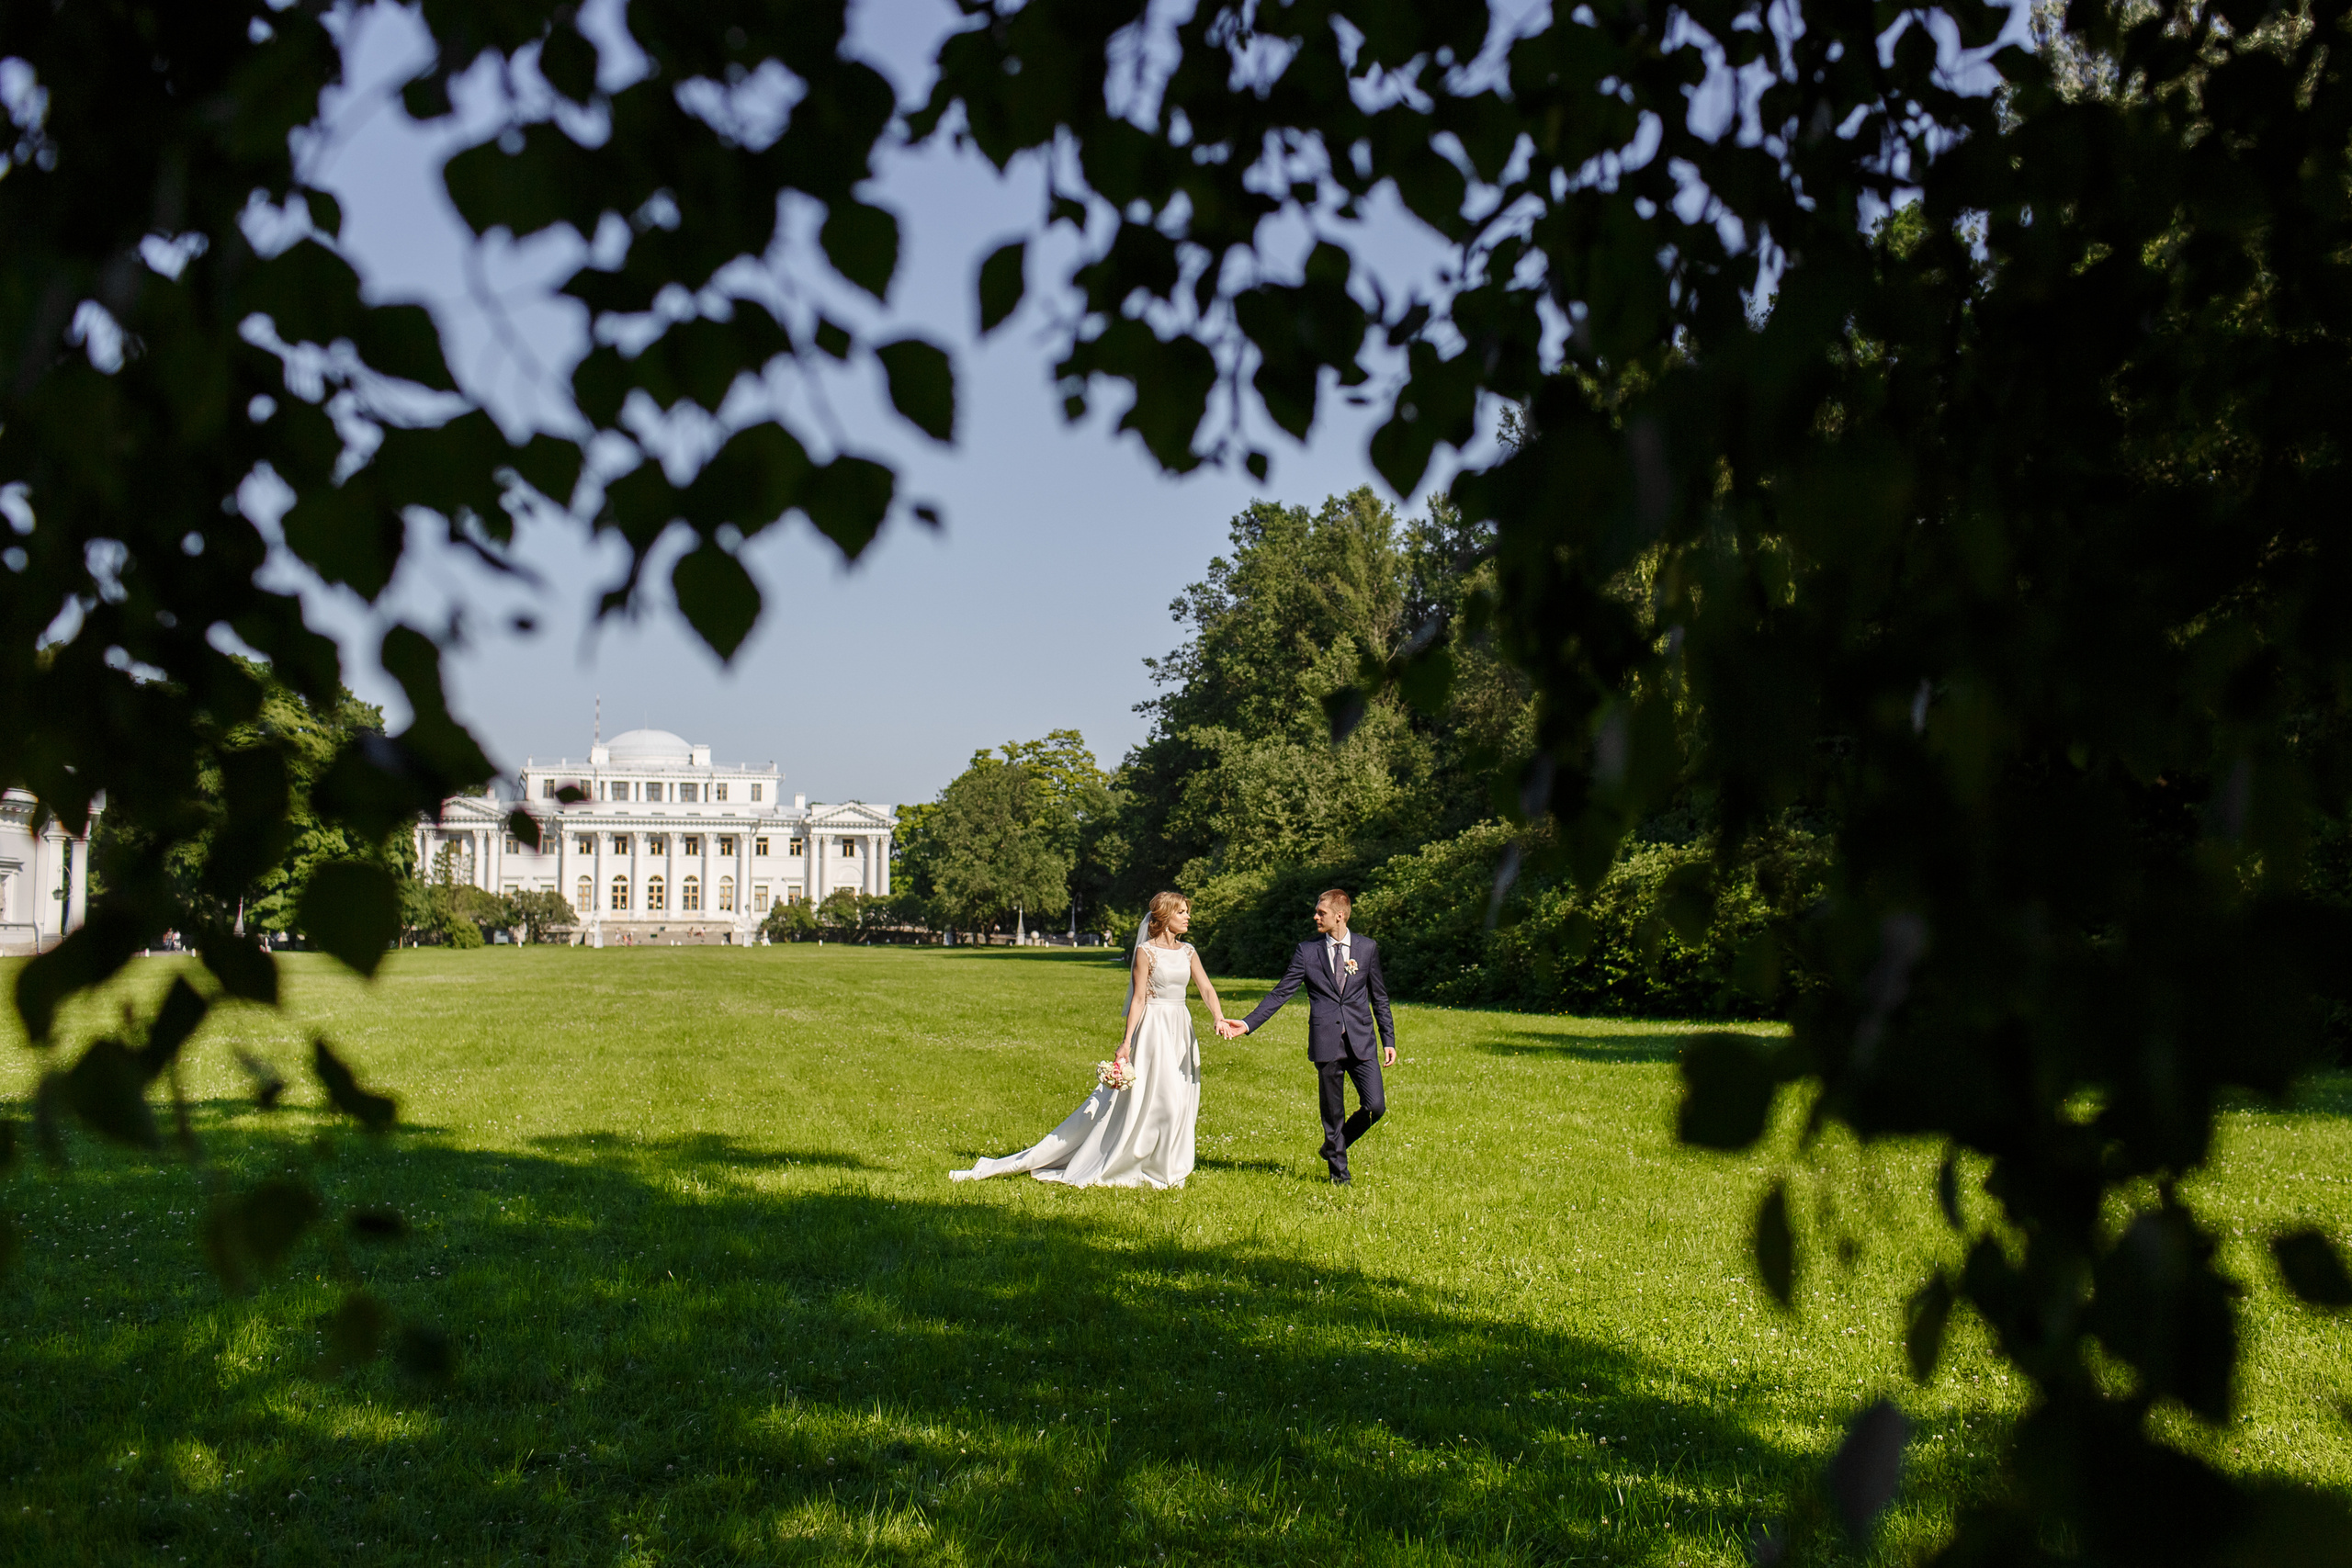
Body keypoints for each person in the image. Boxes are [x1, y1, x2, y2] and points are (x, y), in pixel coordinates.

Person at [950, 891, 1232, 1189]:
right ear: (1164, 917)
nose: (1188, 917)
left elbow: (1206, 988)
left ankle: (1168, 1162)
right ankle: (1142, 1162)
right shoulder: (1145, 952)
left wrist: (1218, 1016)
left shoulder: (1188, 952)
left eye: (1187, 912)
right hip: (1154, 1029)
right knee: (1161, 1099)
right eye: (1182, 912)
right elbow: (1137, 1000)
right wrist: (1127, 1043)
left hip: (1181, 1026)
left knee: (1180, 1096)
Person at [1216, 887, 1395, 1184]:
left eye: (1321, 912)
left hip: (1362, 1041)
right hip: (1326, 1042)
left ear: (1339, 916)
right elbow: (1280, 993)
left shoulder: (1367, 948)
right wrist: (1247, 1024)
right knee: (1332, 1113)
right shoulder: (1307, 951)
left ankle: (1332, 1146)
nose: (1315, 916)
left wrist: (1388, 1039)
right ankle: (1340, 1176)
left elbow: (1380, 997)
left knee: (1375, 1106)